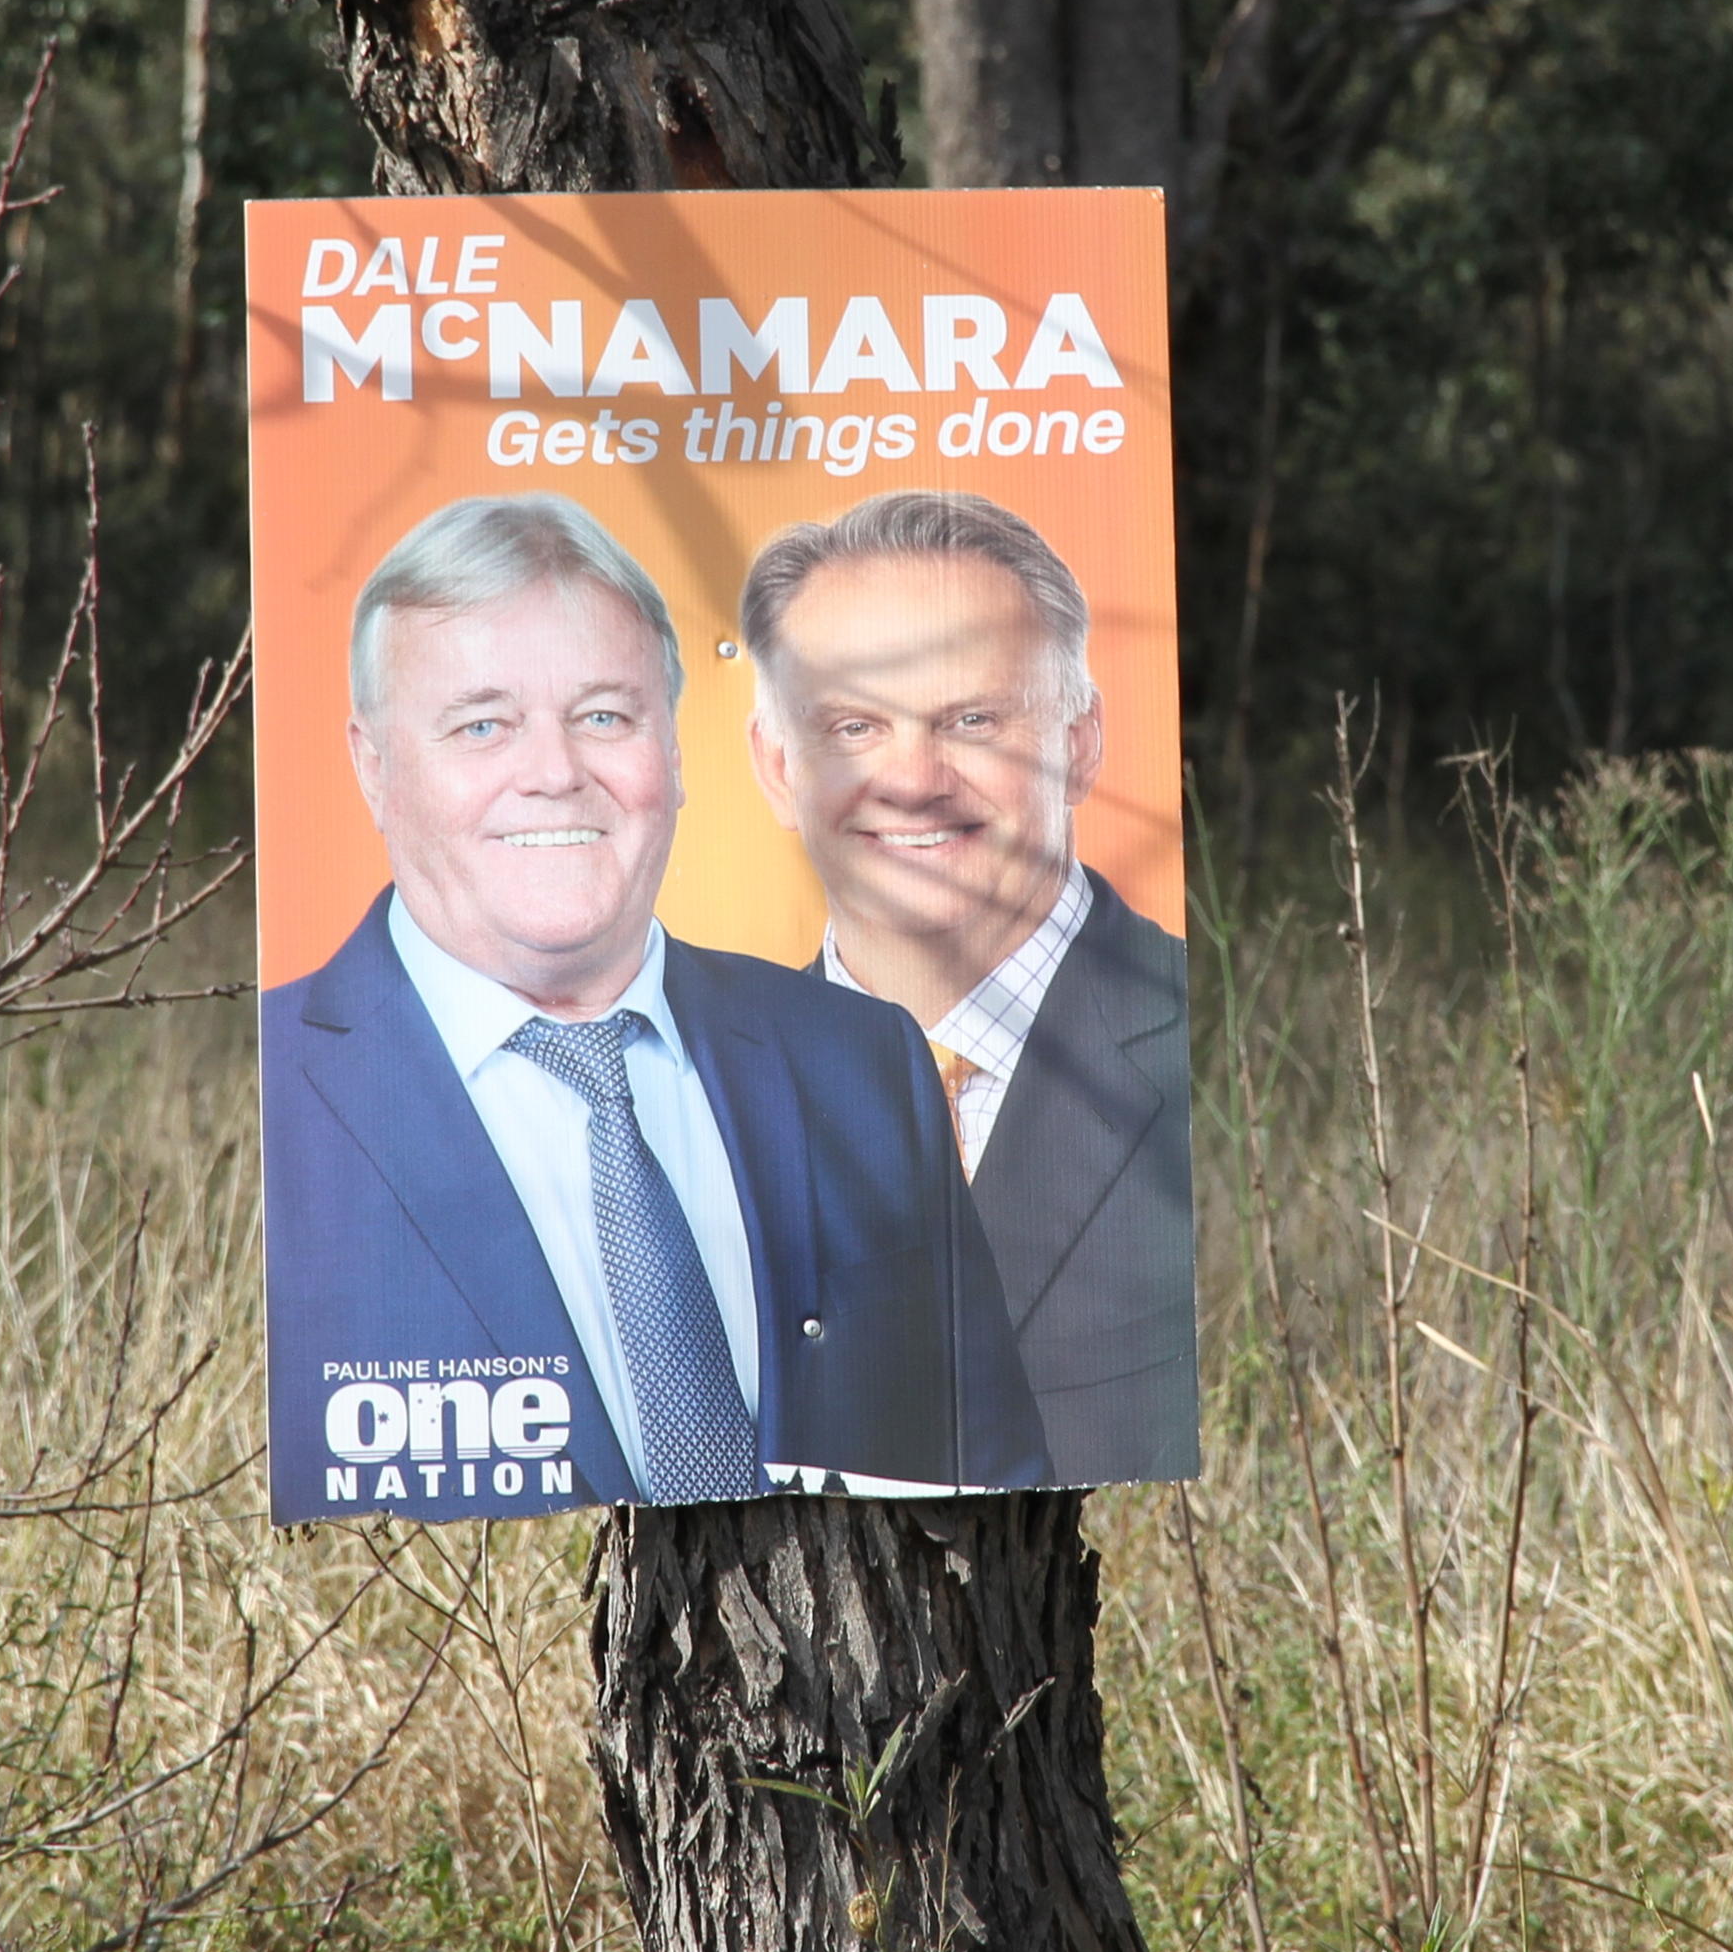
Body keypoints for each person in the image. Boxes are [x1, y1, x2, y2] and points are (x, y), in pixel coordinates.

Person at [262, 492, 1047, 1520]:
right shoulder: (271, 1084)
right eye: (481, 724)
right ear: (374, 767)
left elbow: (989, 1463)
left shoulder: (860, 1059)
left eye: (603, 716)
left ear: (673, 757)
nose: (553, 774)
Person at [740, 490, 1197, 1484]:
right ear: (777, 767)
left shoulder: (1217, 1042)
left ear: (1078, 742)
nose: (912, 779)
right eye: (854, 726)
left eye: (971, 719)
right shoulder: (692, 1093)